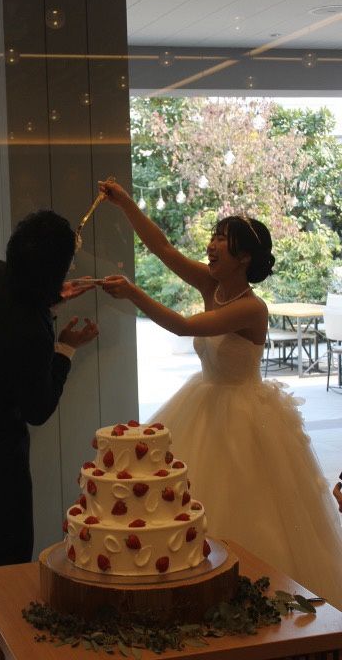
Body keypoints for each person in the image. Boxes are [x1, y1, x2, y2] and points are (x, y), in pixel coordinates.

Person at [98, 177, 342, 609]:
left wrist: (134, 293)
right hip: (203, 400)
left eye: (222, 240)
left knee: (245, 506)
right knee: (180, 502)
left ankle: (248, 596)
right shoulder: (212, 284)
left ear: (243, 258)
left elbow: (185, 326)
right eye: (213, 236)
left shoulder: (252, 308)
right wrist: (125, 204)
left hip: (245, 413)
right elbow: (164, 249)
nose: (211, 245)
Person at [0, 210, 98, 658]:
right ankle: (0, 648)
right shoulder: (33, 331)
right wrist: (65, 347)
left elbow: (7, 318)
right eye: (67, 263)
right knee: (9, 560)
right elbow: (38, 409)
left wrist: (48, 299)